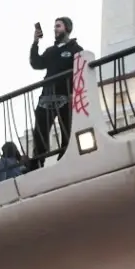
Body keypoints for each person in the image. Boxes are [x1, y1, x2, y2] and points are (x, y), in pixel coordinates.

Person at [29, 16, 84, 168]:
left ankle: (65, 158)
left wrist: (74, 93)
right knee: (40, 131)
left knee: (67, 129)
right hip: (46, 97)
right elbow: (36, 63)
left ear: (67, 28)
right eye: (55, 26)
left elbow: (80, 73)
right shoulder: (51, 51)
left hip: (65, 97)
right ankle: (37, 162)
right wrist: (35, 42)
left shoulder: (76, 50)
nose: (55, 29)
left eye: (58, 26)